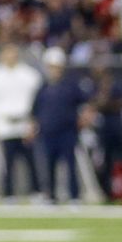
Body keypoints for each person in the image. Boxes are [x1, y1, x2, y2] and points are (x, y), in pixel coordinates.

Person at [0, 44, 42, 200]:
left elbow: (38, 99)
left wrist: (33, 121)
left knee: (31, 161)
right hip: (5, 126)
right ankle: (8, 193)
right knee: (8, 163)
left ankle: (37, 192)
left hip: (25, 124)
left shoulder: (29, 75)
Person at [33, 47, 91, 204]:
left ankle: (74, 196)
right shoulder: (43, 87)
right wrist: (33, 126)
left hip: (67, 130)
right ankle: (51, 196)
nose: (54, 70)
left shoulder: (70, 85)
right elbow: (35, 110)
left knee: (70, 165)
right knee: (49, 166)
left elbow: (86, 102)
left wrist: (85, 116)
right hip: (47, 132)